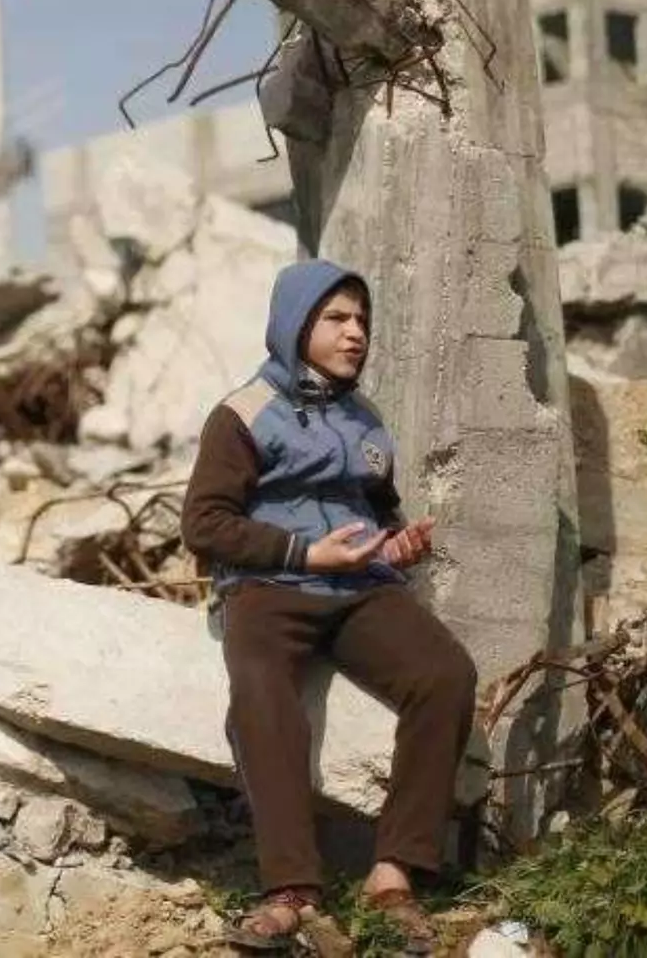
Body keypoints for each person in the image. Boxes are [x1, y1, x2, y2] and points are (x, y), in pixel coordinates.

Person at [181, 259, 477, 955]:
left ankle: (393, 873)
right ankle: (291, 892)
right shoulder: (242, 415)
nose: (355, 335)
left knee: (446, 676)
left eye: (362, 321)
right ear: (295, 326)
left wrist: (395, 548)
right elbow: (205, 524)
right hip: (269, 589)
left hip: (358, 589)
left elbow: (377, 508)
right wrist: (304, 555)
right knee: (263, 696)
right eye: (337, 319)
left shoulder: (365, 419)